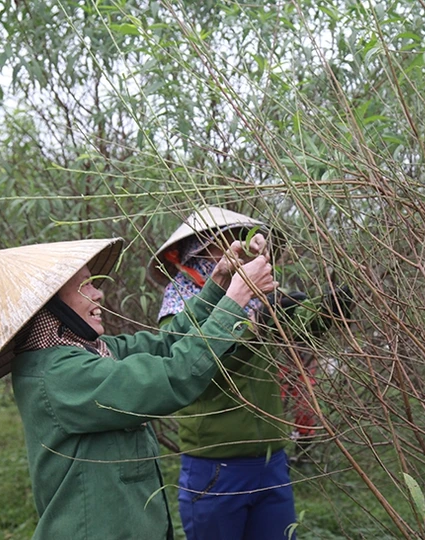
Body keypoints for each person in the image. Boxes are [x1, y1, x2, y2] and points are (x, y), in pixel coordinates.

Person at [0, 236, 276, 540]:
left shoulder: (89, 351)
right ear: (50, 303)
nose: (99, 294)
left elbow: (167, 344)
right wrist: (235, 300)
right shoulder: (61, 374)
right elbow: (174, 375)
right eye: (85, 286)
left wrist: (218, 284)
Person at [148, 206, 353, 540]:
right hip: (216, 465)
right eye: (227, 241)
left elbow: (300, 330)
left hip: (270, 458)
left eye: (240, 240)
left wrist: (332, 307)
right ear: (200, 249)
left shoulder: (258, 301)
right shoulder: (181, 308)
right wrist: (252, 322)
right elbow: (200, 365)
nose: (239, 248)